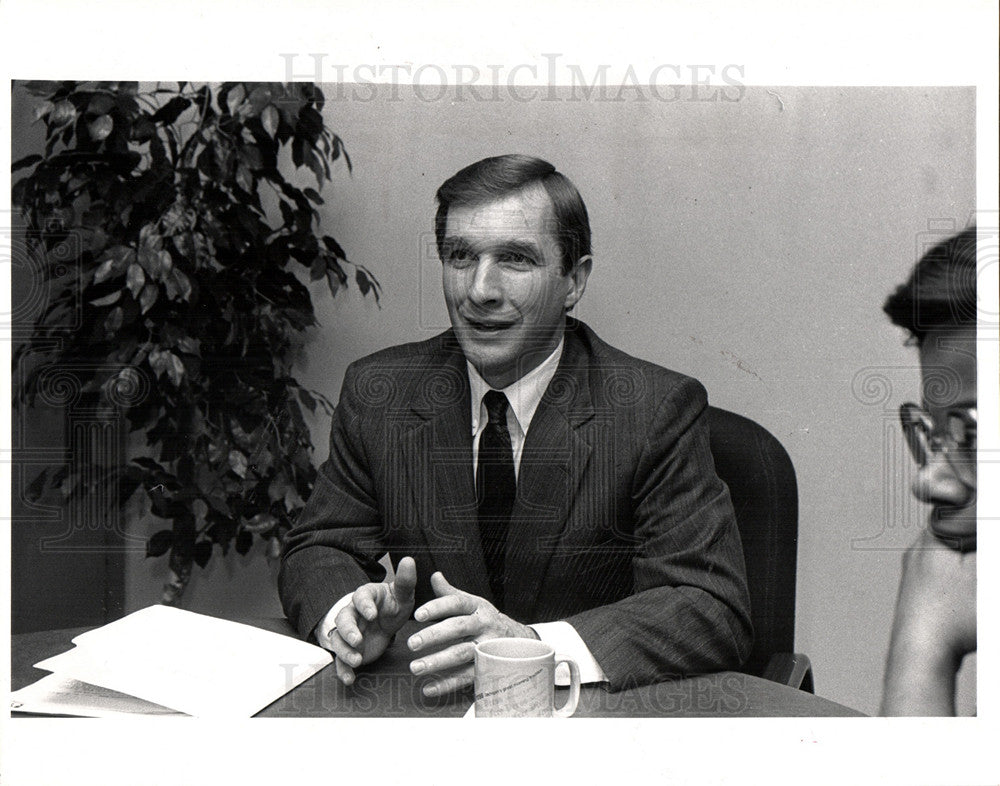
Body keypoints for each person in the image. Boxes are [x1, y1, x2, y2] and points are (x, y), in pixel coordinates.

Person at [279, 154, 751, 695]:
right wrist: (352, 616)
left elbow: (710, 605)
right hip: (438, 718)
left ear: (573, 281)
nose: (480, 289)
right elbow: (318, 547)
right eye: (460, 256)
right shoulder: (381, 393)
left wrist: (531, 648)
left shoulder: (653, 411)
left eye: (515, 259)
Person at [880, 226, 978, 715]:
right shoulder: (944, 565)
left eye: (972, 431)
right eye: (930, 433)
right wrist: (926, 627)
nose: (926, 480)